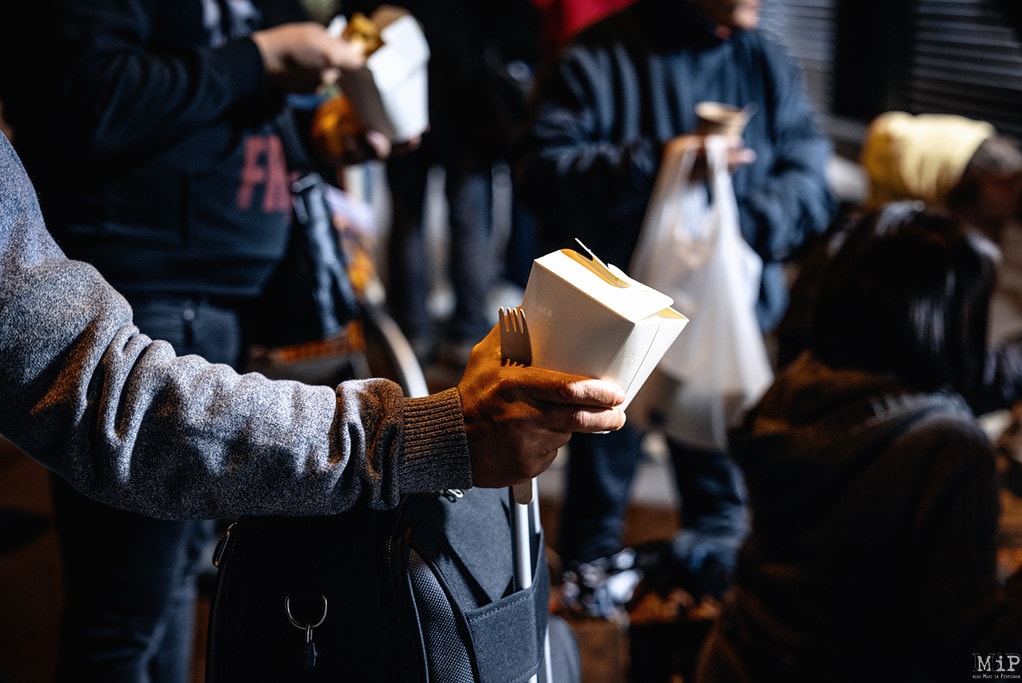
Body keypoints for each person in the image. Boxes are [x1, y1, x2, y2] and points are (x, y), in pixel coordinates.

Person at [0, 126, 626, 668]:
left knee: (172, 588)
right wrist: (412, 437)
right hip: (156, 290)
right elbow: (95, 389)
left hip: (225, 299)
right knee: (124, 608)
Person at [514, 0, 837, 620]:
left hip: (727, 327)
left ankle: (708, 615)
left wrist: (737, 228)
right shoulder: (595, 58)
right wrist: (656, 165)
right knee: (598, 491)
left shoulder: (765, 62)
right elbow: (540, 170)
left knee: (723, 498)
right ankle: (586, 622)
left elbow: (810, 176)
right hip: (614, 331)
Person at [695, 202, 1022, 682]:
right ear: (946, 320)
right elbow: (975, 661)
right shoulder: (948, 448)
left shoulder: (795, 386)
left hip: (740, 659)